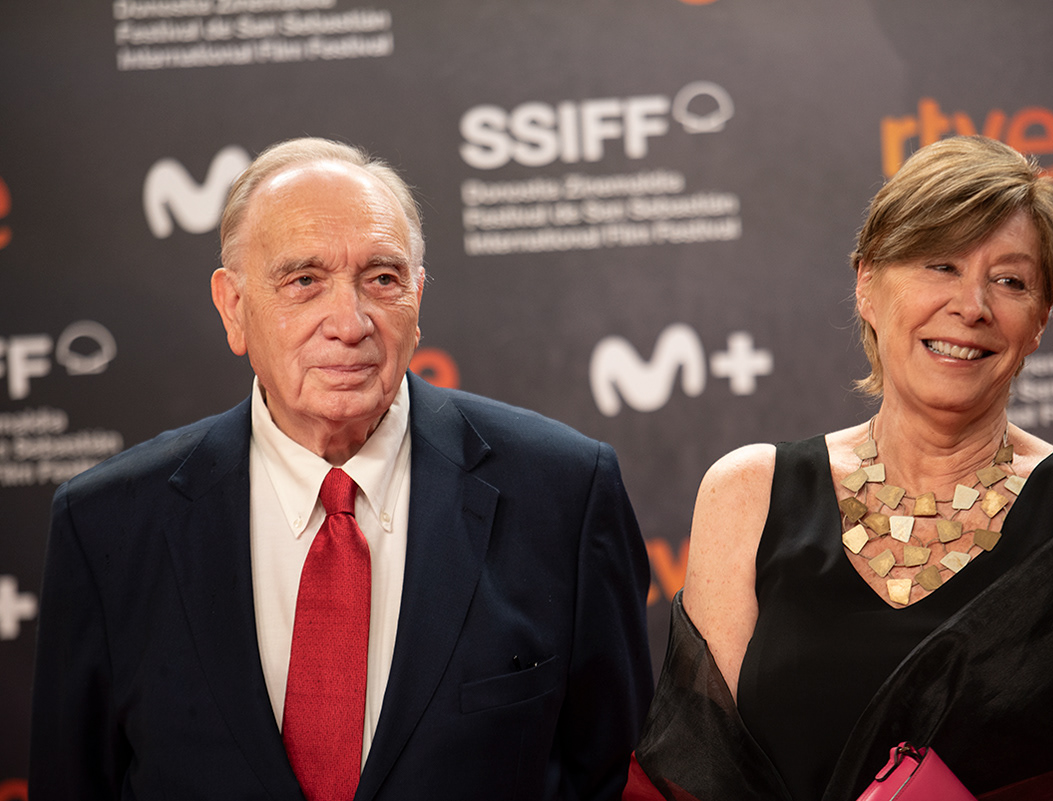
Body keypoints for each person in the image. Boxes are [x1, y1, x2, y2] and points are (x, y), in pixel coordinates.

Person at [30, 137, 653, 801]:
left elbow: (617, 779)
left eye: (381, 279)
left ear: (417, 297)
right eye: (304, 281)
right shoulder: (106, 525)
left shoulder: (565, 494)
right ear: (234, 307)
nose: (350, 323)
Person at [625, 136, 1053, 801]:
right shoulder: (748, 492)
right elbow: (696, 775)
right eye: (941, 265)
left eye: (1011, 281)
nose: (972, 305)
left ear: (1040, 321)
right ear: (867, 285)